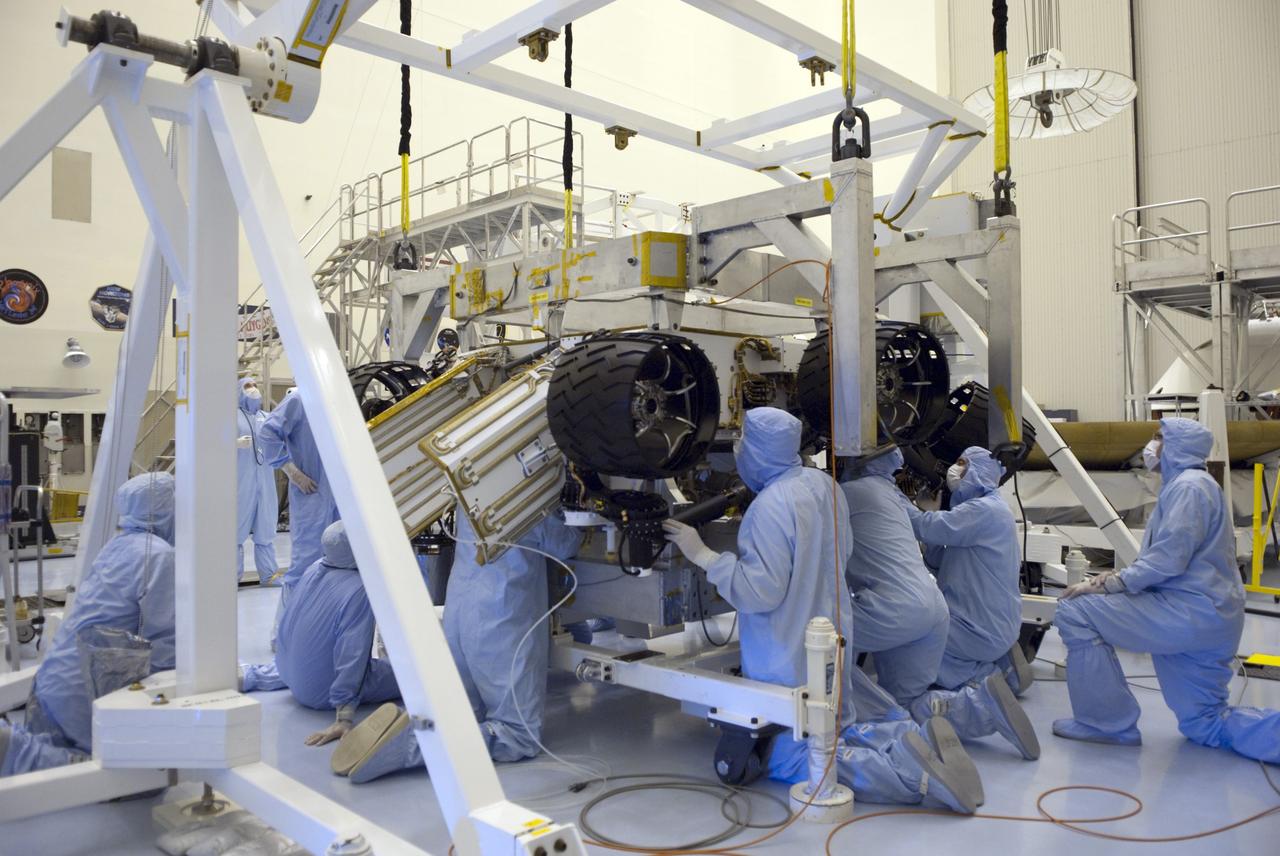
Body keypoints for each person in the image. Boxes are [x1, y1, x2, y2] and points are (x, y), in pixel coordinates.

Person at [662, 408, 983, 814]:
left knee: (794, 752)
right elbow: (841, 554)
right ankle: (901, 733)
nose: (738, 448)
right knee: (838, 718)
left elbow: (758, 592)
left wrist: (705, 556)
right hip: (831, 632)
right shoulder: (823, 485)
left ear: (759, 449)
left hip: (786, 646)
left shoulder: (768, 507)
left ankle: (912, 776)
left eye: (742, 440)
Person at [1053, 418, 1280, 759]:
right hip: (1210, 616)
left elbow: (1169, 558)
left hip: (1185, 615)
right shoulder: (1195, 486)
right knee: (1204, 723)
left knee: (1074, 610)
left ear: (1177, 446)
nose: (1151, 445)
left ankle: (1105, 724)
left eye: (1159, 437)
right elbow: (1173, 557)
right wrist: (1121, 578)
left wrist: (1111, 583)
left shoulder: (1189, 488)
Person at [330, 511, 583, 783]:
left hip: (460, 611)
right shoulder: (527, 498)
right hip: (500, 615)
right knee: (518, 734)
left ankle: (421, 725)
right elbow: (564, 545)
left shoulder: (471, 487)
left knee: (467, 711)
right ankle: (410, 746)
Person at [0, 473, 175, 776]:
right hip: (85, 698)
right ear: (168, 510)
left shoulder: (116, 547)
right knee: (140, 780)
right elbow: (167, 651)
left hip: (51, 687)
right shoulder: (160, 556)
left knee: (50, 743)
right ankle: (17, 752)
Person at [894, 446, 1040, 761]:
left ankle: (980, 704)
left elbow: (928, 527)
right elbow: (937, 558)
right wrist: (927, 513)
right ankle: (998, 672)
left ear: (980, 471)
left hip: (977, 629)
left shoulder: (986, 511)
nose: (954, 470)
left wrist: (891, 498)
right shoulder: (981, 511)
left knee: (911, 642)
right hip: (991, 626)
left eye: (962, 464)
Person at [244, 521, 401, 747]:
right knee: (415, 674)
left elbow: (288, 626)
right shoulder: (358, 589)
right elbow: (351, 654)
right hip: (321, 692)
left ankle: (248, 675)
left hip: (289, 674)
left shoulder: (314, 569)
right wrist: (344, 716)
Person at [841, 448, 950, 708]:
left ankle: (878, 716)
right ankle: (978, 707)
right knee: (910, 702)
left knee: (816, 639)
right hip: (934, 609)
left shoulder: (848, 494)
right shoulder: (892, 494)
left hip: (895, 612)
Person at [259, 390, 338, 648]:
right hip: (312, 495)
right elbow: (268, 433)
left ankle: (319, 633)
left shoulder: (341, 398)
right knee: (304, 565)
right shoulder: (301, 398)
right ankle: (282, 635)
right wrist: (291, 470)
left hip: (339, 497)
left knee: (337, 566)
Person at [236, 376, 278, 583]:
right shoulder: (231, 417)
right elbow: (214, 445)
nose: (252, 389)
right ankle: (231, 577)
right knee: (235, 529)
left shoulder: (267, 417)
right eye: (247, 386)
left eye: (254, 385)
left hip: (266, 482)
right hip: (241, 482)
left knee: (266, 527)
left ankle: (268, 575)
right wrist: (234, 443)